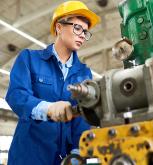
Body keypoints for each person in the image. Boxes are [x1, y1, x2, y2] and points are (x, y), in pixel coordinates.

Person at [5, 1, 100, 164]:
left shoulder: (84, 72)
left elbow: (82, 117)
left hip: (63, 158)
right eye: (78, 28)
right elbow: (16, 95)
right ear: (59, 27)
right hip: (29, 156)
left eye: (86, 31)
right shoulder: (29, 58)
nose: (83, 35)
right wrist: (47, 108)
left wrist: (77, 153)